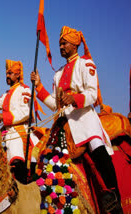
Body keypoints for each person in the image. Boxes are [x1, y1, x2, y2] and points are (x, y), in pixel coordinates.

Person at [31, 26, 122, 213]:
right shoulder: (57, 74)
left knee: (98, 150)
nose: (61, 47)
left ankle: (114, 197)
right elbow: (55, 105)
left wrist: (74, 98)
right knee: (44, 159)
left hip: (85, 122)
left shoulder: (86, 64)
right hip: (64, 126)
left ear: (75, 44)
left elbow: (92, 94)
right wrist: (39, 86)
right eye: (59, 44)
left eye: (64, 43)